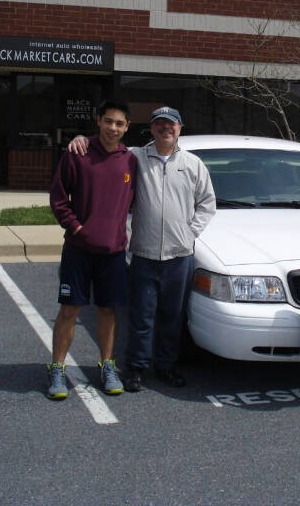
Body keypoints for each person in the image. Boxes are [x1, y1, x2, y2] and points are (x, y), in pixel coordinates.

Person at [69, 105, 215, 391]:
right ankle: (136, 367)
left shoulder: (193, 164)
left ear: (179, 128)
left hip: (179, 256)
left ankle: (166, 366)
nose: (165, 128)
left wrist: (190, 232)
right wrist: (81, 139)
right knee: (141, 316)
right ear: (151, 128)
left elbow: (207, 203)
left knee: (172, 317)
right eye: (159, 123)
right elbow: (107, 148)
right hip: (144, 254)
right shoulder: (134, 157)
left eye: (171, 124)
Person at [47, 101, 137, 400]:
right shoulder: (78, 154)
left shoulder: (130, 160)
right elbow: (59, 199)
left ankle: (107, 366)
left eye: (119, 123)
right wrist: (77, 228)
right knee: (69, 310)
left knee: (108, 310)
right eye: (108, 121)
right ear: (98, 121)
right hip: (79, 250)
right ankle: (57, 369)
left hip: (113, 252)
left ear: (127, 127)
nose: (113, 128)